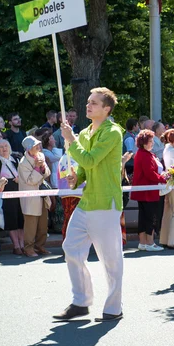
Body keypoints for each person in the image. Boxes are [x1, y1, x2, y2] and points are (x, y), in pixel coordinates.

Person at [54, 87, 125, 322]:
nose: (88, 105)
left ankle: (114, 308)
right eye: (88, 102)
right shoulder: (84, 132)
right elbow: (85, 167)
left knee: (111, 259)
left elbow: (91, 159)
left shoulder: (113, 132)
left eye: (94, 103)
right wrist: (78, 178)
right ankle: (81, 301)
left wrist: (71, 140)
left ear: (107, 109)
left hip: (106, 202)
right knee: (71, 248)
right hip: (87, 202)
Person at [131, 129, 167, 252]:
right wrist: (164, 179)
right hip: (147, 190)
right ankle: (149, 242)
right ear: (143, 143)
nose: (152, 143)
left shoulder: (145, 153)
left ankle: (143, 242)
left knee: (144, 216)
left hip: (145, 190)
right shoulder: (144, 155)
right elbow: (150, 174)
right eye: (150, 141)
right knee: (150, 217)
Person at [18, 135, 52, 258]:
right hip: (30, 197)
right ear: (28, 148)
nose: (38, 146)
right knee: (31, 225)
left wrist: (42, 166)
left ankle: (40, 246)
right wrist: (38, 167)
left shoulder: (41, 156)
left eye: (38, 144)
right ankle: (29, 248)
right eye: (35, 145)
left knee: (43, 224)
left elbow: (47, 173)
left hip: (42, 195)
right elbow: (31, 180)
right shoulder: (23, 163)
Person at [0, 140, 25, 255]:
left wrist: (19, 179)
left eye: (6, 146)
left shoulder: (16, 159)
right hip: (6, 192)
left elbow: (24, 173)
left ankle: (22, 244)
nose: (4, 148)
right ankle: (16, 246)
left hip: (19, 190)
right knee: (11, 219)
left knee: (21, 218)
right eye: (1, 147)